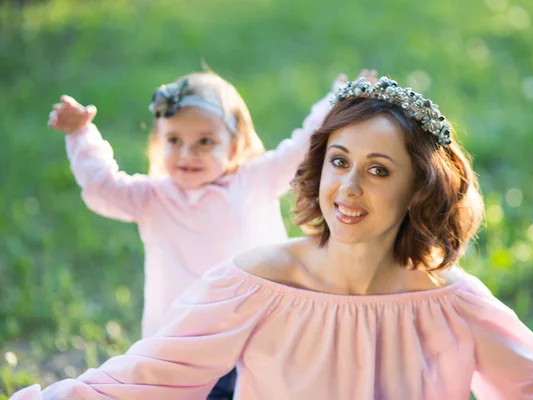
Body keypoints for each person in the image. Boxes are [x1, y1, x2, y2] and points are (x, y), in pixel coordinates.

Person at [15, 75, 533, 399]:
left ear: (419, 189)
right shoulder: (254, 284)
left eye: (378, 170)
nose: (347, 188)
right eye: (338, 161)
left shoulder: (453, 304)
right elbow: (143, 381)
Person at [44, 69, 367, 400]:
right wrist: (81, 134)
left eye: (205, 142)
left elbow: (302, 145)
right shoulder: (152, 197)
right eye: (174, 141)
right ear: (158, 142)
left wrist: (337, 98)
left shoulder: (255, 180)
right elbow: (102, 186)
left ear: (233, 146)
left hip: (254, 333)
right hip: (185, 341)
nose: (187, 154)